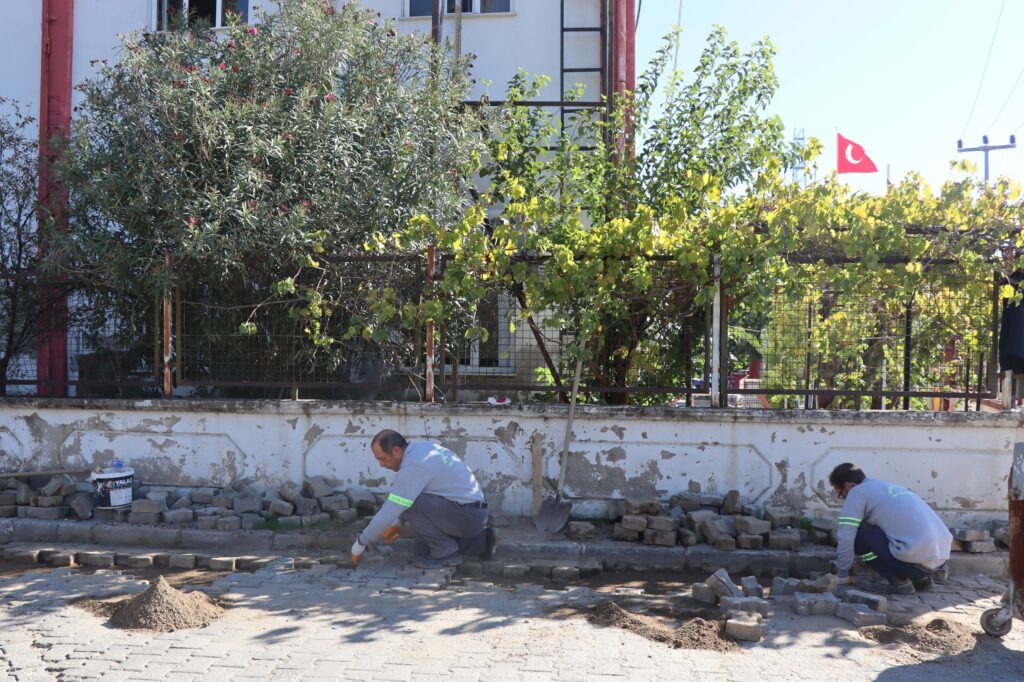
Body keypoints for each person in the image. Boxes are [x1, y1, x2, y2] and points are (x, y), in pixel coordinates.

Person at [350, 429, 496, 569]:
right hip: (472, 514)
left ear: (396, 450)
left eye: (382, 459)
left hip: (468, 515)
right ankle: (480, 541)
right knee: (421, 551)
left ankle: (446, 553)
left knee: (409, 504)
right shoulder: (421, 450)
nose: (381, 465)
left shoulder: (415, 464)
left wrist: (361, 543)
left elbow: (392, 507)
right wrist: (398, 522)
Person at [831, 463, 952, 595]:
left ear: (848, 486)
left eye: (841, 494)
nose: (844, 498)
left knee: (858, 533)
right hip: (938, 562)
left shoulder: (857, 492)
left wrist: (843, 574)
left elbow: (846, 534)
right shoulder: (892, 487)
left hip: (912, 565)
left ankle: (899, 582)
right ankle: (922, 580)